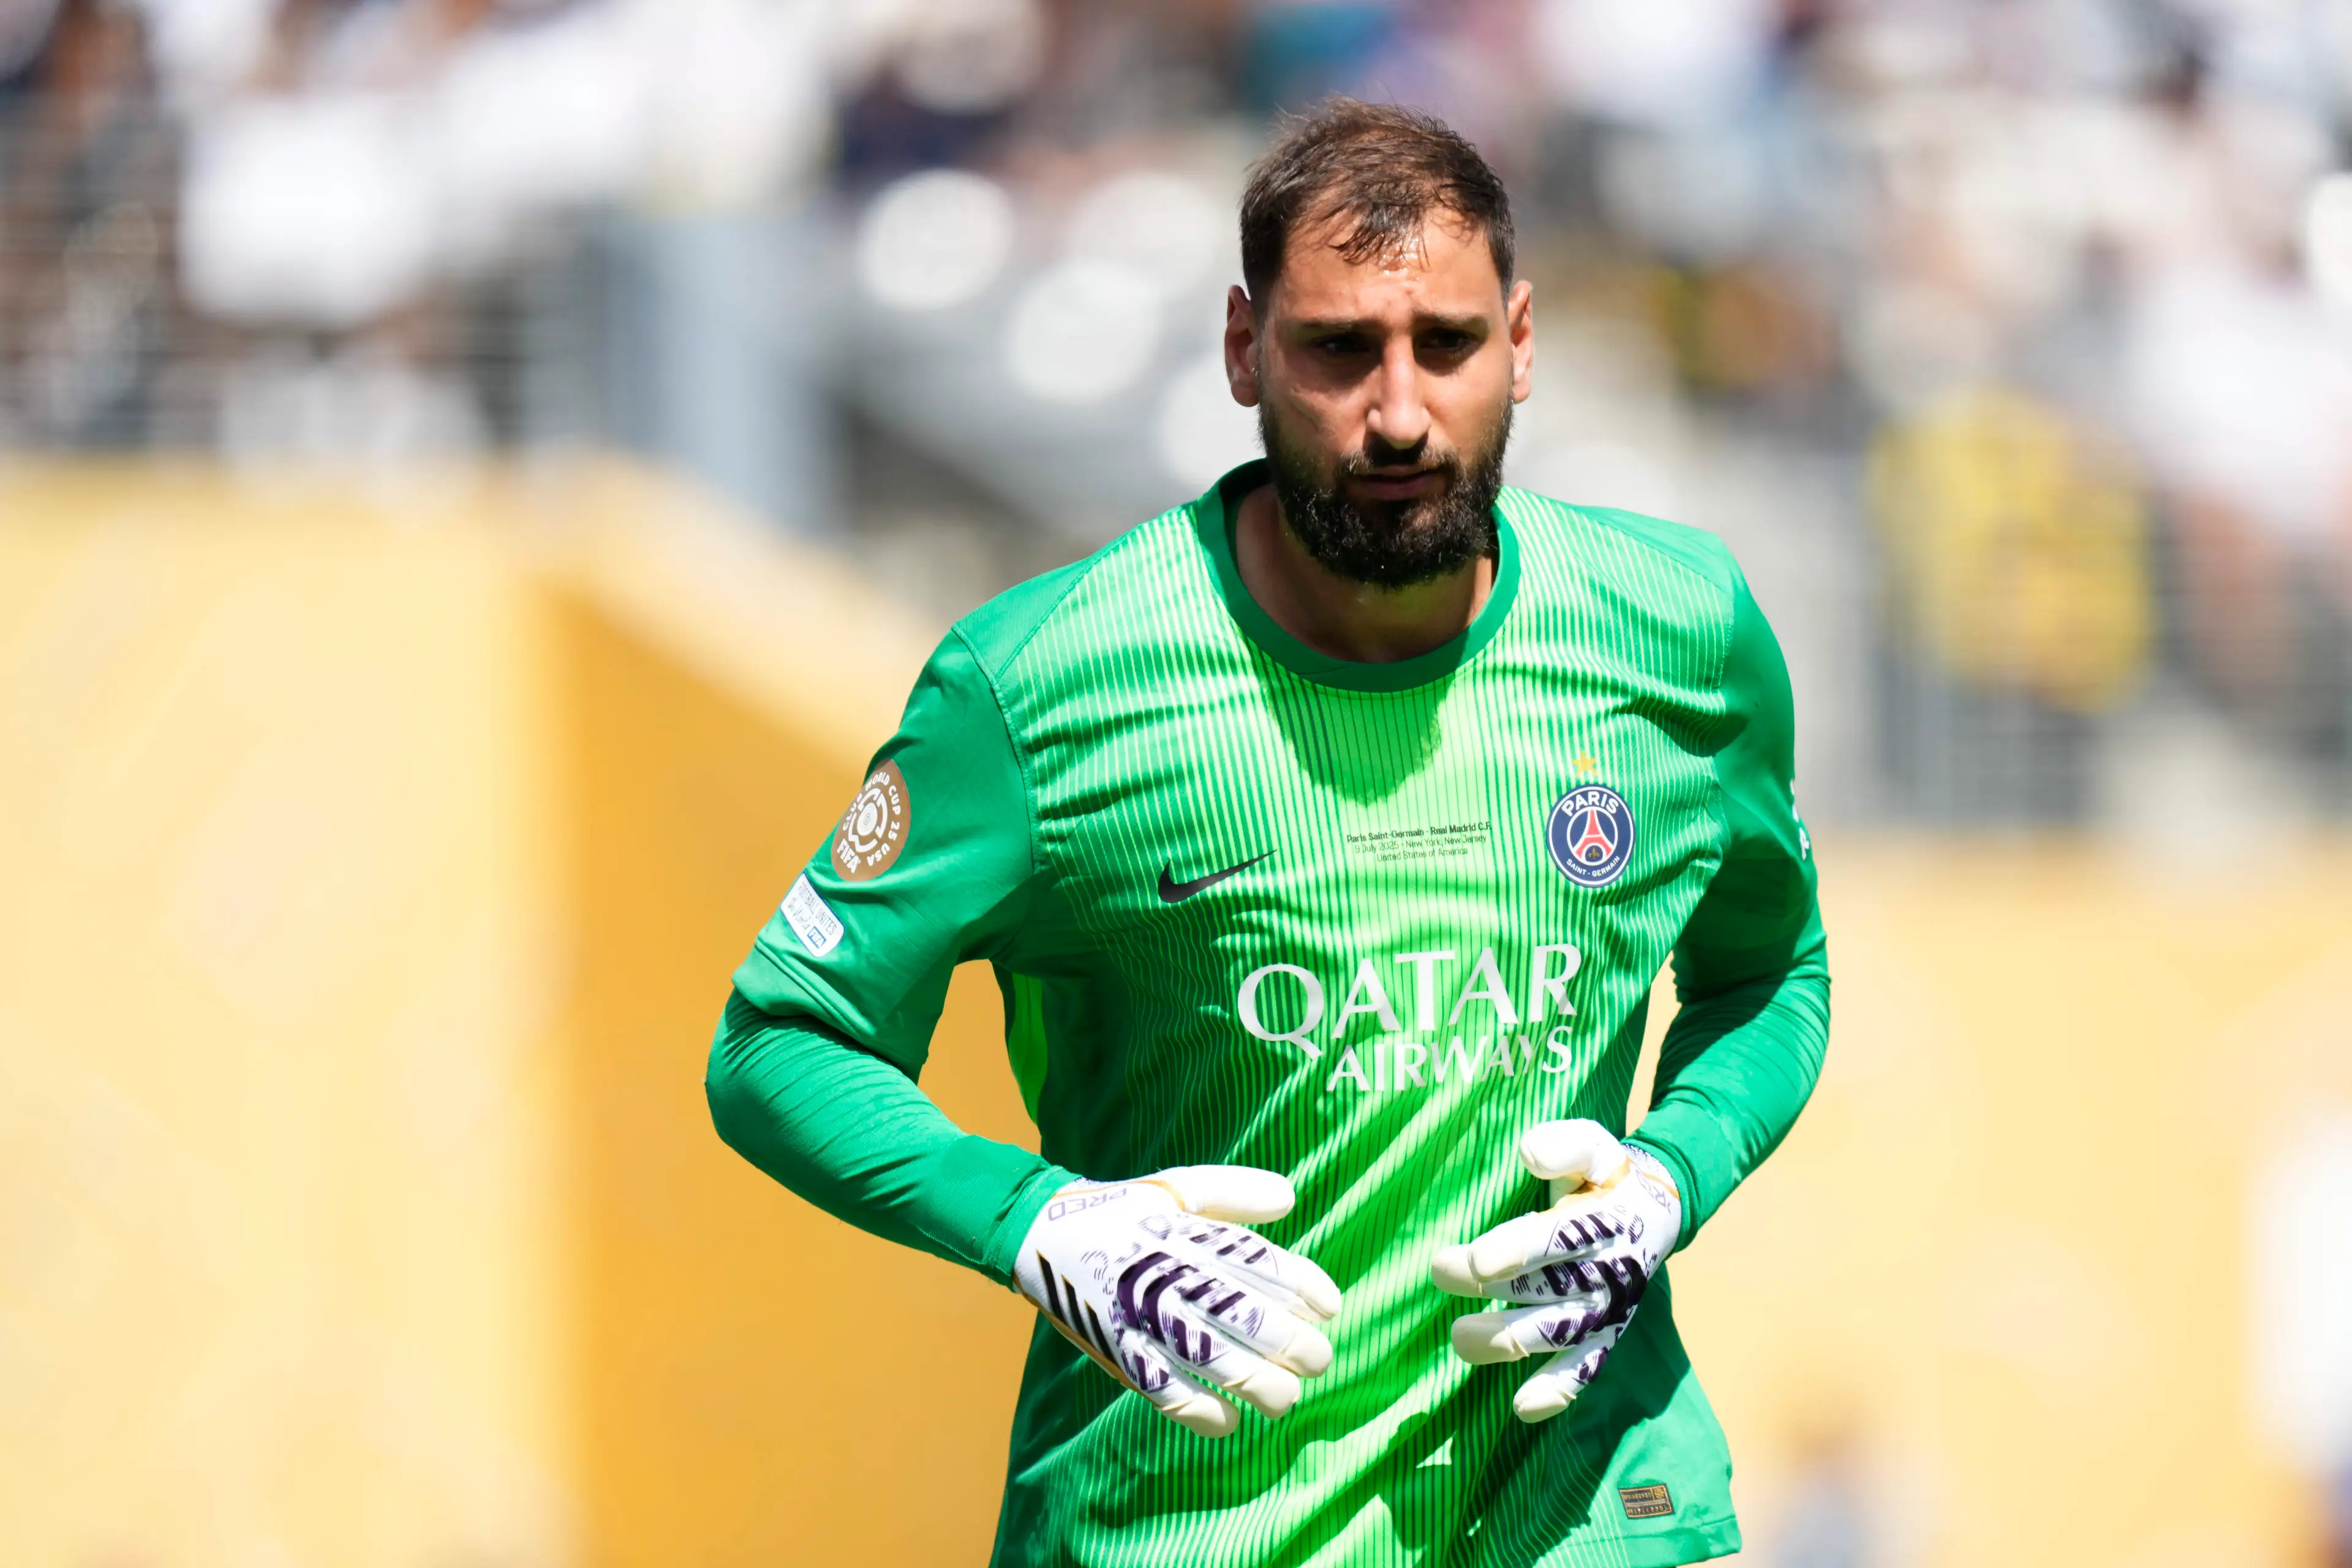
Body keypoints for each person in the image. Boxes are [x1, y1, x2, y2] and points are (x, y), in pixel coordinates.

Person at [707, 98, 1830, 1568]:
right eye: (1338, 349)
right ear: (1245, 348)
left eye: (1448, 342)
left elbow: (1773, 975)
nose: (1402, 412)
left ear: (1526, 341)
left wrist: (1670, 1175)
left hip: (1596, 1514)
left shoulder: (1681, 633)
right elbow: (779, 1043)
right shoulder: (1040, 683)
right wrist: (1045, 1227)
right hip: (1186, 1523)